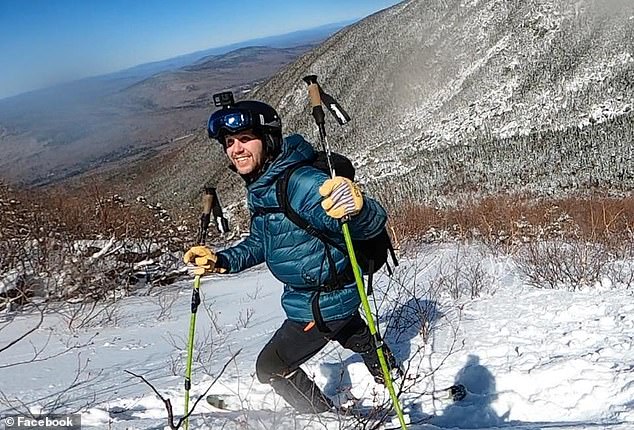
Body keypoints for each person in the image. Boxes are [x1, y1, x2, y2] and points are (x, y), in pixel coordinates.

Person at [183, 97, 400, 413]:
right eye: (230, 142)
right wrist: (221, 261)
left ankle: (321, 418)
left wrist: (359, 209)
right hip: (318, 294)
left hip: (320, 303)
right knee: (346, 328)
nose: (236, 149)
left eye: (245, 139)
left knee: (270, 367)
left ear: (268, 139)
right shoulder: (263, 185)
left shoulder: (300, 183)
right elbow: (261, 243)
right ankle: (382, 361)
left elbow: (365, 224)